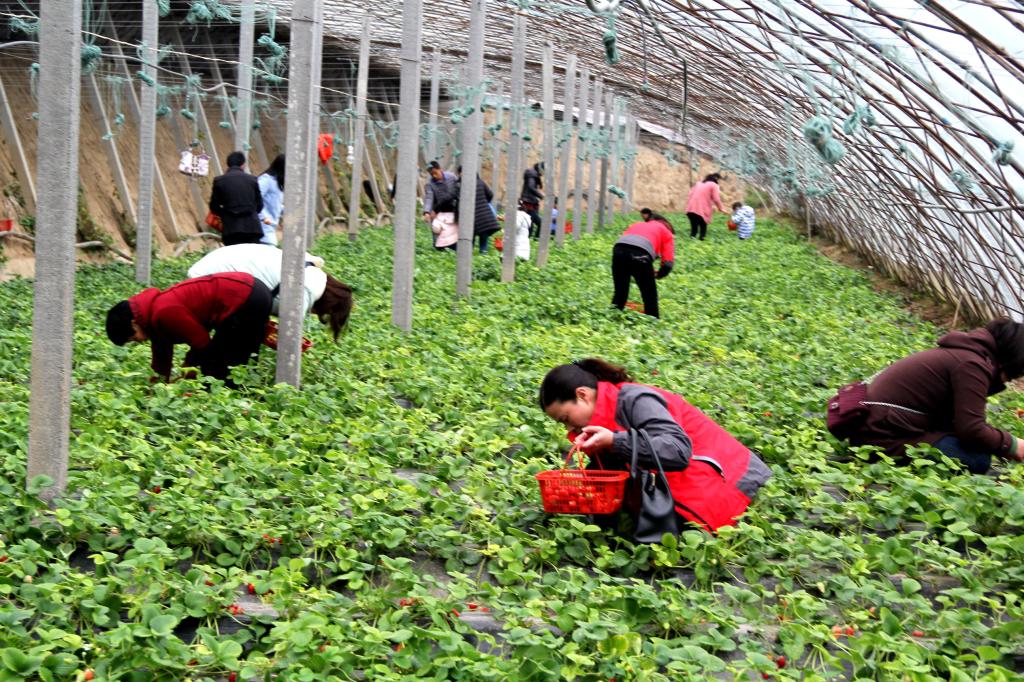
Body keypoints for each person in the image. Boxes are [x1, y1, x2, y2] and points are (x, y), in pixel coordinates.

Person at [538, 359, 771, 532]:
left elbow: (677, 451)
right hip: (694, 475)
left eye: (566, 419)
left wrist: (615, 441)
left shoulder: (637, 400)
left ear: (583, 395)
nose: (569, 430)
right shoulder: (604, 413)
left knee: (677, 534)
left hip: (730, 478)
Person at [840, 319, 1024, 474]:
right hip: (880, 440)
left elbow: (961, 423)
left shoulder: (963, 354)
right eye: (1011, 376)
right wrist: (1013, 445)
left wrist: (999, 443)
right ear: (1008, 362)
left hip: (875, 427)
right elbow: (972, 430)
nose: (1007, 381)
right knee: (977, 459)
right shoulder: (972, 365)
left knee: (976, 446)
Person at [105, 272, 272, 385]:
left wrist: (189, 373)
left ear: (134, 323)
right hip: (248, 291)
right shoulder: (152, 319)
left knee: (225, 369)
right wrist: (156, 390)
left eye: (133, 338)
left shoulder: (163, 313)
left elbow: (203, 344)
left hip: (245, 297)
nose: (138, 341)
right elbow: (161, 360)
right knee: (234, 363)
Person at [187, 244, 352, 341]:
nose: (315, 314)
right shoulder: (304, 291)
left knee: (246, 329)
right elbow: (289, 341)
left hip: (214, 266)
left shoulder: (312, 272)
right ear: (326, 306)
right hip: (212, 276)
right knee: (238, 336)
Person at [611, 217, 675, 319]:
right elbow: (668, 264)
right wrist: (659, 275)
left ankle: (612, 317)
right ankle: (653, 322)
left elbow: (628, 245)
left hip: (619, 249)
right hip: (641, 253)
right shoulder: (667, 233)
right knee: (649, 294)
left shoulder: (637, 224)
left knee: (620, 291)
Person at [209, 151, 264, 246]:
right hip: (252, 227)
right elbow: (260, 205)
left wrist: (225, 214)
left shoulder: (219, 181)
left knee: (234, 259)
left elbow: (214, 206)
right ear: (243, 165)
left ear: (228, 164)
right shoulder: (252, 179)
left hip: (231, 229)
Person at [456, 166, 501, 254]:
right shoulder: (480, 182)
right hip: (484, 215)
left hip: (471, 217)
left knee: (470, 238)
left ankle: (468, 256)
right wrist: (484, 202)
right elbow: (490, 195)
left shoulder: (461, 185)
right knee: (483, 238)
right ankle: (483, 256)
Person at [685, 173, 726, 241]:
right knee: (703, 228)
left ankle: (692, 242)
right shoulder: (714, 185)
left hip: (691, 209)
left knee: (694, 229)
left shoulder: (698, 183)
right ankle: (701, 241)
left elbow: (690, 194)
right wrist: (721, 208)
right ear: (716, 179)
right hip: (701, 210)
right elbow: (716, 198)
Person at [257, 154, 285, 246]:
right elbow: (254, 198)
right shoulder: (266, 180)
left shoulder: (277, 183)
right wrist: (263, 217)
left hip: (269, 230)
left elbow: (275, 204)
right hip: (262, 229)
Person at [520, 162, 544, 239]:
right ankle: (535, 240)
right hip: (528, 204)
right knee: (538, 223)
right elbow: (531, 187)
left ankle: (531, 241)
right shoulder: (532, 175)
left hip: (529, 202)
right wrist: (541, 195)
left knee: (530, 224)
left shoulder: (532, 174)